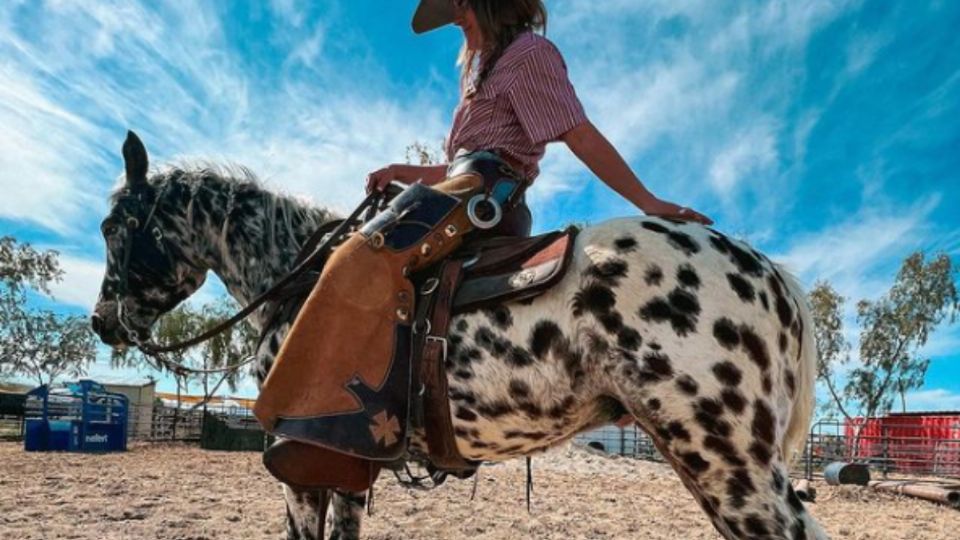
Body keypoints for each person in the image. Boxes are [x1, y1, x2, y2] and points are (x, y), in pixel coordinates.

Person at [253, 0, 711, 491]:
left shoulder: (527, 55)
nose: (454, 19)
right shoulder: (478, 78)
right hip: (461, 186)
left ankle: (331, 422)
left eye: (460, 7)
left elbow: (575, 131)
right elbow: (457, 165)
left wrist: (647, 201)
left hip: (482, 198)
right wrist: (400, 173)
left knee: (354, 257)